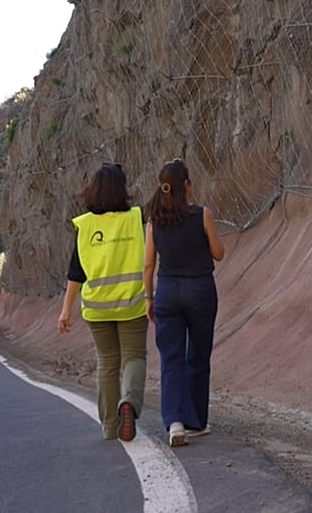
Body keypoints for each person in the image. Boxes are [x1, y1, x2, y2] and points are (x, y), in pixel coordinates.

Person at [58, 163, 148, 441]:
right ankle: (128, 402)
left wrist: (65, 311)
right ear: (122, 189)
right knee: (134, 357)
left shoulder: (84, 225)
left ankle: (110, 426)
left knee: (107, 363)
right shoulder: (136, 218)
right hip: (132, 302)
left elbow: (76, 273)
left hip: (97, 307)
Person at [143, 158, 225, 447]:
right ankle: (196, 422)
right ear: (187, 184)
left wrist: (149, 298)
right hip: (200, 289)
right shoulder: (203, 214)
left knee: (171, 358)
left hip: (167, 291)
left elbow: (148, 265)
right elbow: (218, 253)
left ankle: (175, 422)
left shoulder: (154, 220)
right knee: (198, 356)